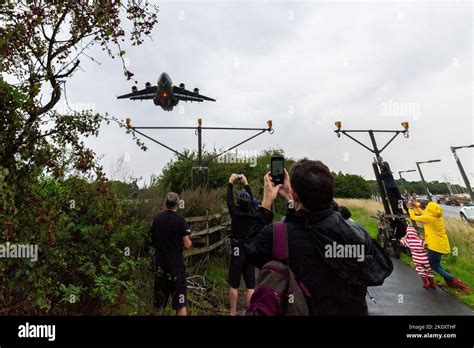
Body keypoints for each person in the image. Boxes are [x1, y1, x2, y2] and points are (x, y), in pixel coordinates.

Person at [246, 159, 390, 315]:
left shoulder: (279, 235)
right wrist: (293, 197)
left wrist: (266, 204)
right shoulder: (354, 231)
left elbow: (250, 249)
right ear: (330, 192)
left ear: (295, 194)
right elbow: (320, 216)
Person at [407, 198, 470, 293]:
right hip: (440, 244)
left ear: (429, 208)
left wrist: (411, 208)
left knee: (433, 265)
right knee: (436, 265)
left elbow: (414, 217)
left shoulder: (428, 218)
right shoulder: (436, 215)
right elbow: (424, 214)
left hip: (435, 245)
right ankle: (449, 282)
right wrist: (416, 206)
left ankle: (458, 283)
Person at [150, 192, 192, 315]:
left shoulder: (157, 219)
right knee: (180, 303)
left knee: (159, 304)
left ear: (165, 204)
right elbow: (187, 244)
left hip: (160, 267)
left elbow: (151, 239)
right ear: (177, 204)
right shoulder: (180, 220)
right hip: (176, 268)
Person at [227, 173, 256, 315]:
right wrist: (246, 183)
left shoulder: (235, 212)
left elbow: (229, 200)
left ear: (238, 202)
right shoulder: (253, 212)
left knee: (234, 283)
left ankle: (232, 312)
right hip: (249, 248)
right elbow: (254, 201)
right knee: (250, 285)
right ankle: (249, 312)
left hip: (237, 248)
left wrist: (230, 182)